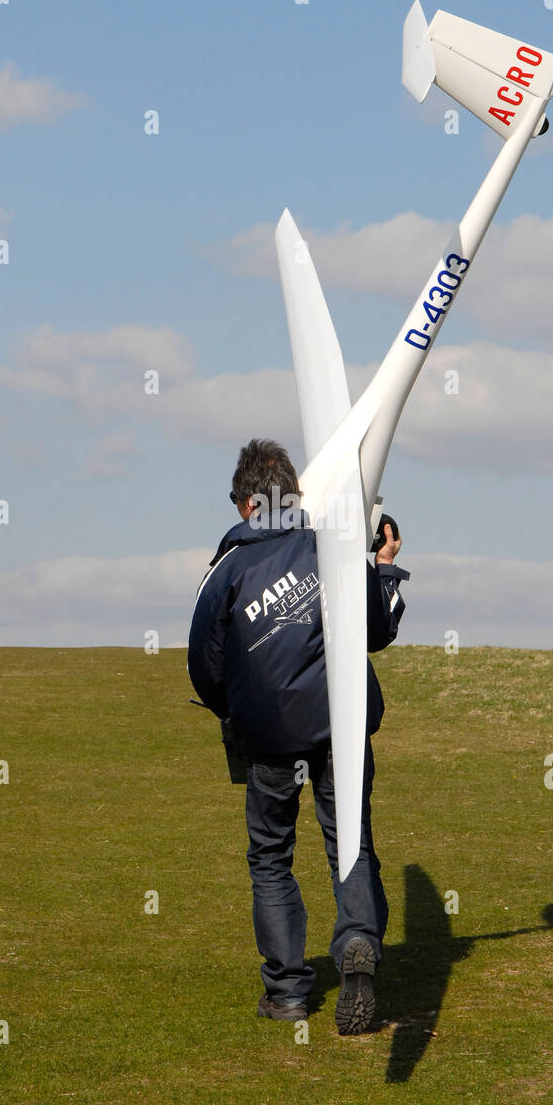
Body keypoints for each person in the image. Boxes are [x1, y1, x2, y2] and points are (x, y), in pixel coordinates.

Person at [187, 438, 409, 1034]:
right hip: (338, 726)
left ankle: (286, 991)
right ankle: (359, 940)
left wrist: (235, 710)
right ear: (295, 492)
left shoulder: (226, 569)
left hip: (268, 742)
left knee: (270, 858)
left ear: (244, 505)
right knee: (350, 842)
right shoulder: (330, 548)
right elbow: (377, 629)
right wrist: (383, 566)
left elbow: (203, 665)